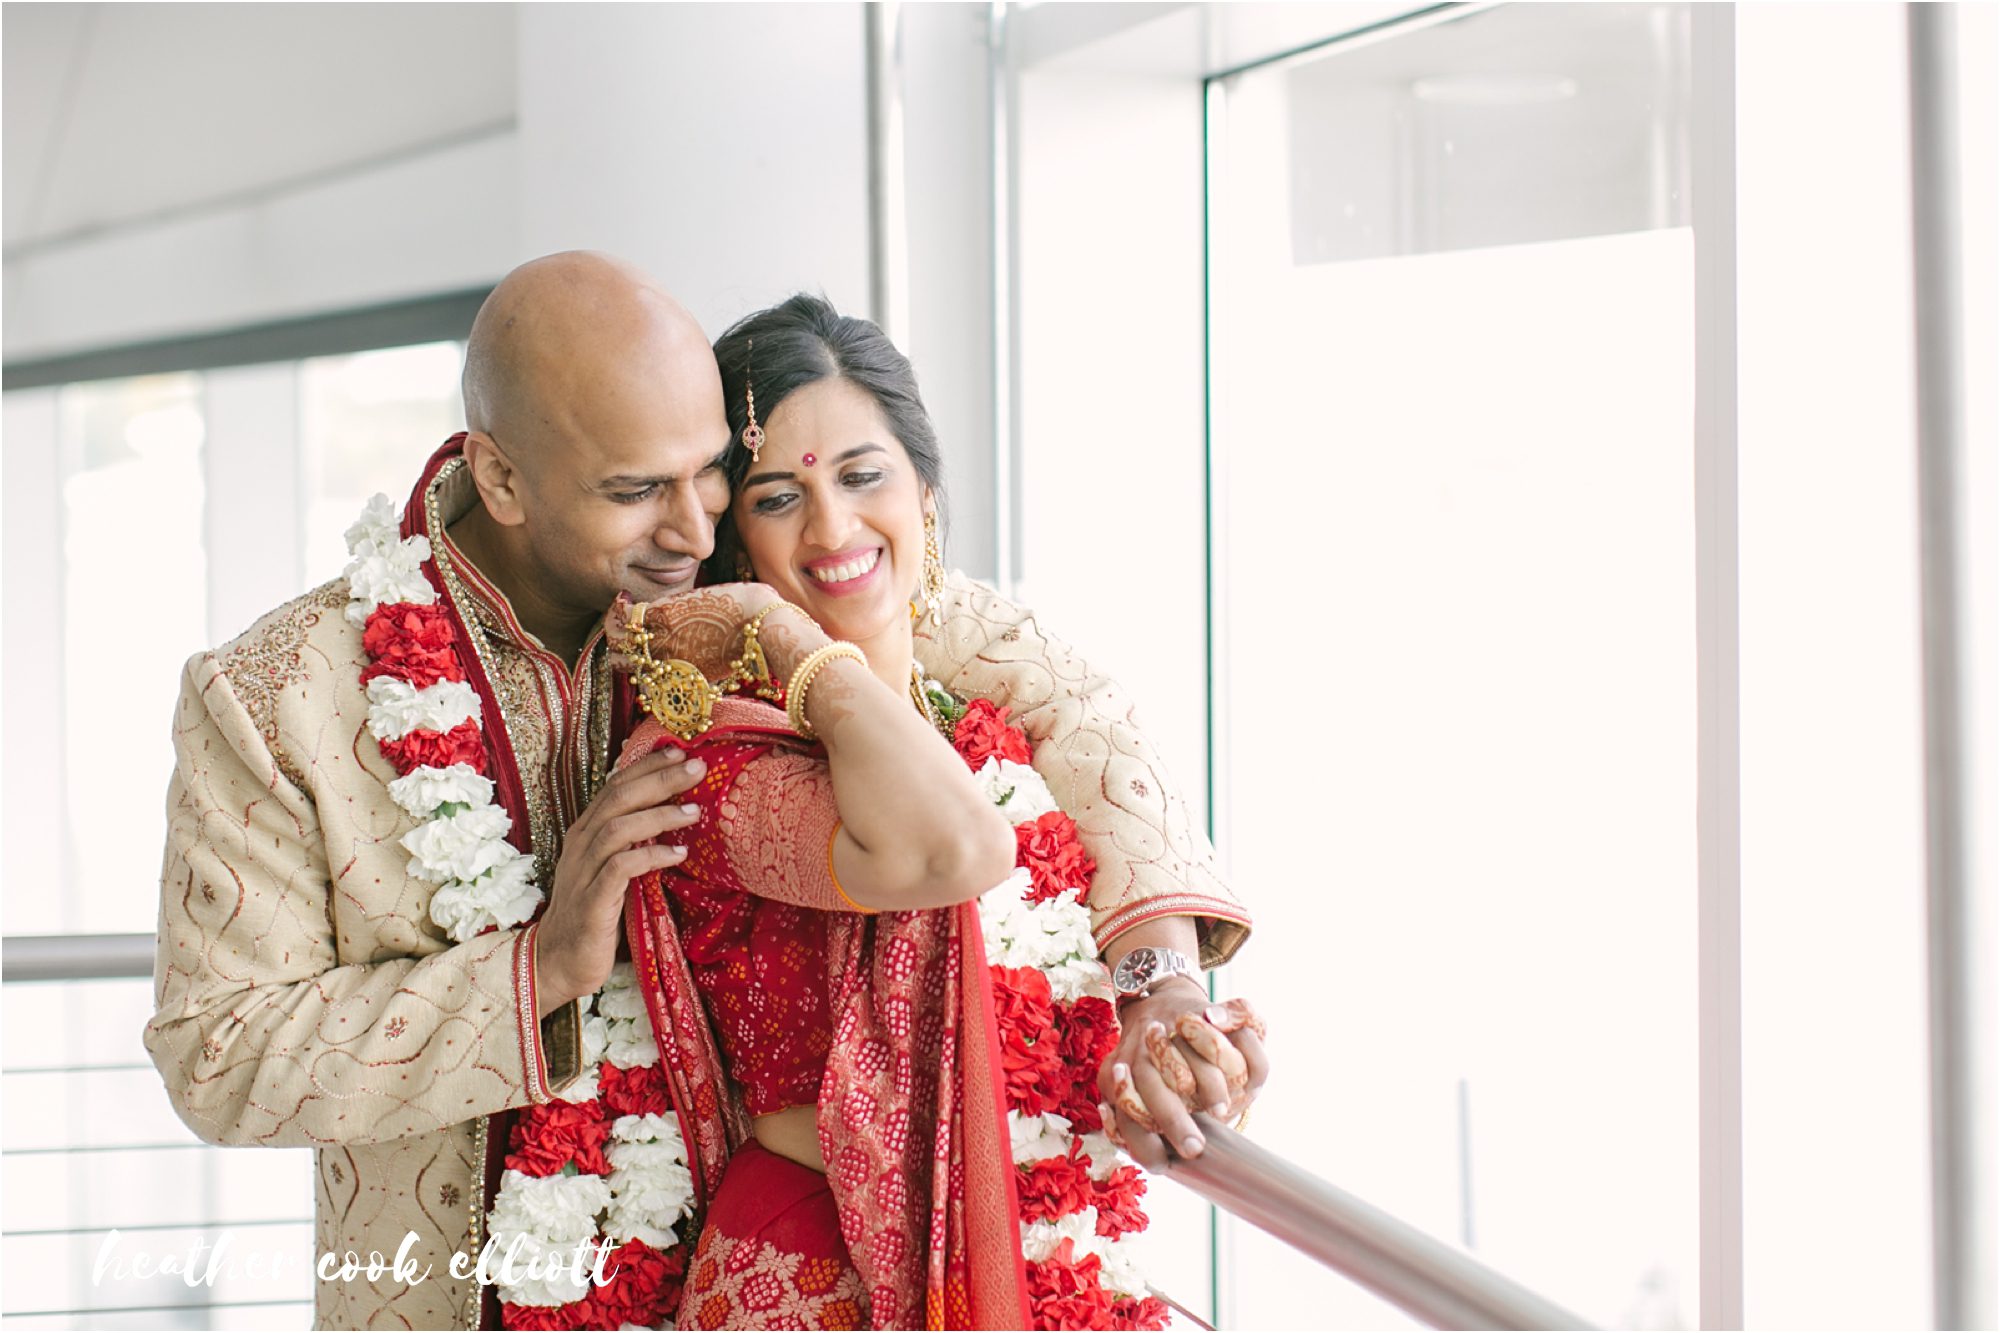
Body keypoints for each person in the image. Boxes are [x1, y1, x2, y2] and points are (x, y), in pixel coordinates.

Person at [144, 253, 1256, 1330]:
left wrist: (1158, 985)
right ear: (501, 478)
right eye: (636, 491)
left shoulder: (753, 595)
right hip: (461, 1293)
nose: (690, 526)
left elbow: (1081, 717)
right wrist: (539, 970)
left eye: (713, 472)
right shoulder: (281, 697)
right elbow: (216, 1054)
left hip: (779, 1267)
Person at [597, 294, 1269, 1330]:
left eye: (862, 475)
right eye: (777, 497)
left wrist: (1160, 1000)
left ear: (924, 486)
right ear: (733, 538)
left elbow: (1103, 747)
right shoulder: (718, 755)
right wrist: (795, 648)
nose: (832, 528)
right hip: (816, 1278)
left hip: (1027, 1243)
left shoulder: (989, 724)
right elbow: (952, 845)